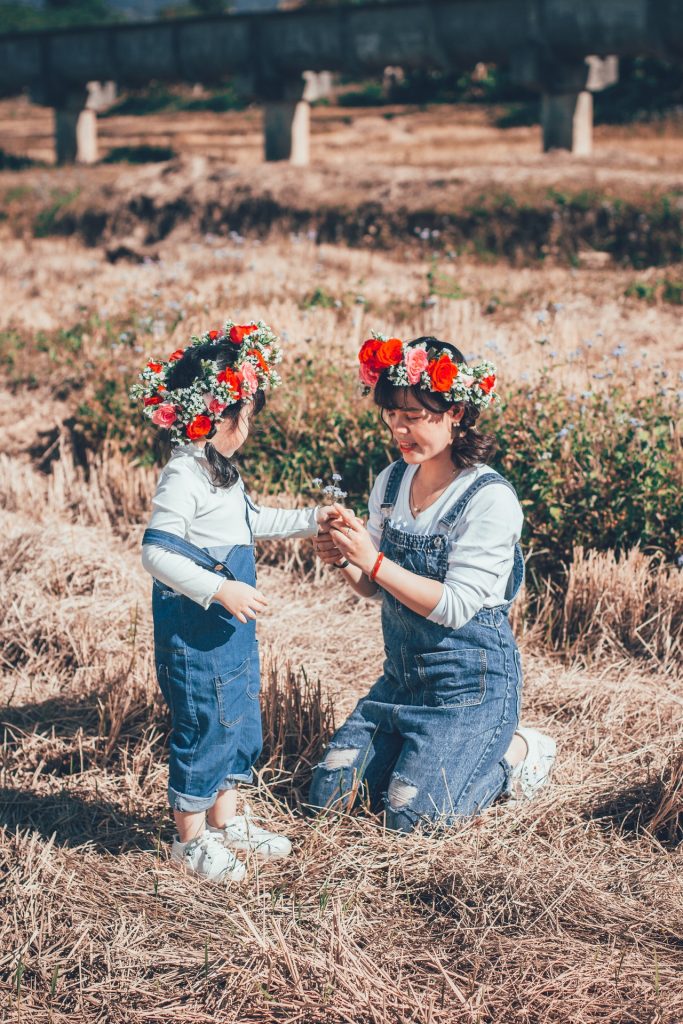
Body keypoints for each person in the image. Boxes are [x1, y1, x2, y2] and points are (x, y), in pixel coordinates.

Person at [309, 334, 556, 833]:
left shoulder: (489, 498)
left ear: (456, 411)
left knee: (412, 818)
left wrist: (373, 561)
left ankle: (516, 754)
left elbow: (455, 607)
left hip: (469, 686)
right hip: (403, 679)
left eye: (414, 415)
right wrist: (343, 559)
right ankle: (421, 755)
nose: (399, 428)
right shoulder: (392, 481)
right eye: (391, 413)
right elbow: (373, 589)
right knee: (329, 798)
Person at [132, 320, 329, 882]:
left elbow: (253, 521)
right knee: (205, 726)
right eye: (245, 414)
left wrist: (312, 518)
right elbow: (157, 554)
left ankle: (226, 822)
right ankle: (190, 840)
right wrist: (219, 588)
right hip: (195, 633)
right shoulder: (184, 475)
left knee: (238, 720)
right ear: (217, 413)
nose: (248, 425)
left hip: (230, 631)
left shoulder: (221, 473)